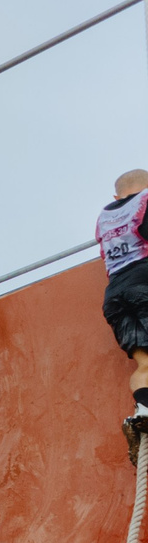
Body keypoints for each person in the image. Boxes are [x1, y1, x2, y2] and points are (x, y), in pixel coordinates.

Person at [96, 169, 148, 452]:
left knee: (145, 362)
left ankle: (144, 410)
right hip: (144, 281)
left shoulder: (104, 217)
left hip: (115, 293)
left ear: (116, 197)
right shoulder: (147, 201)